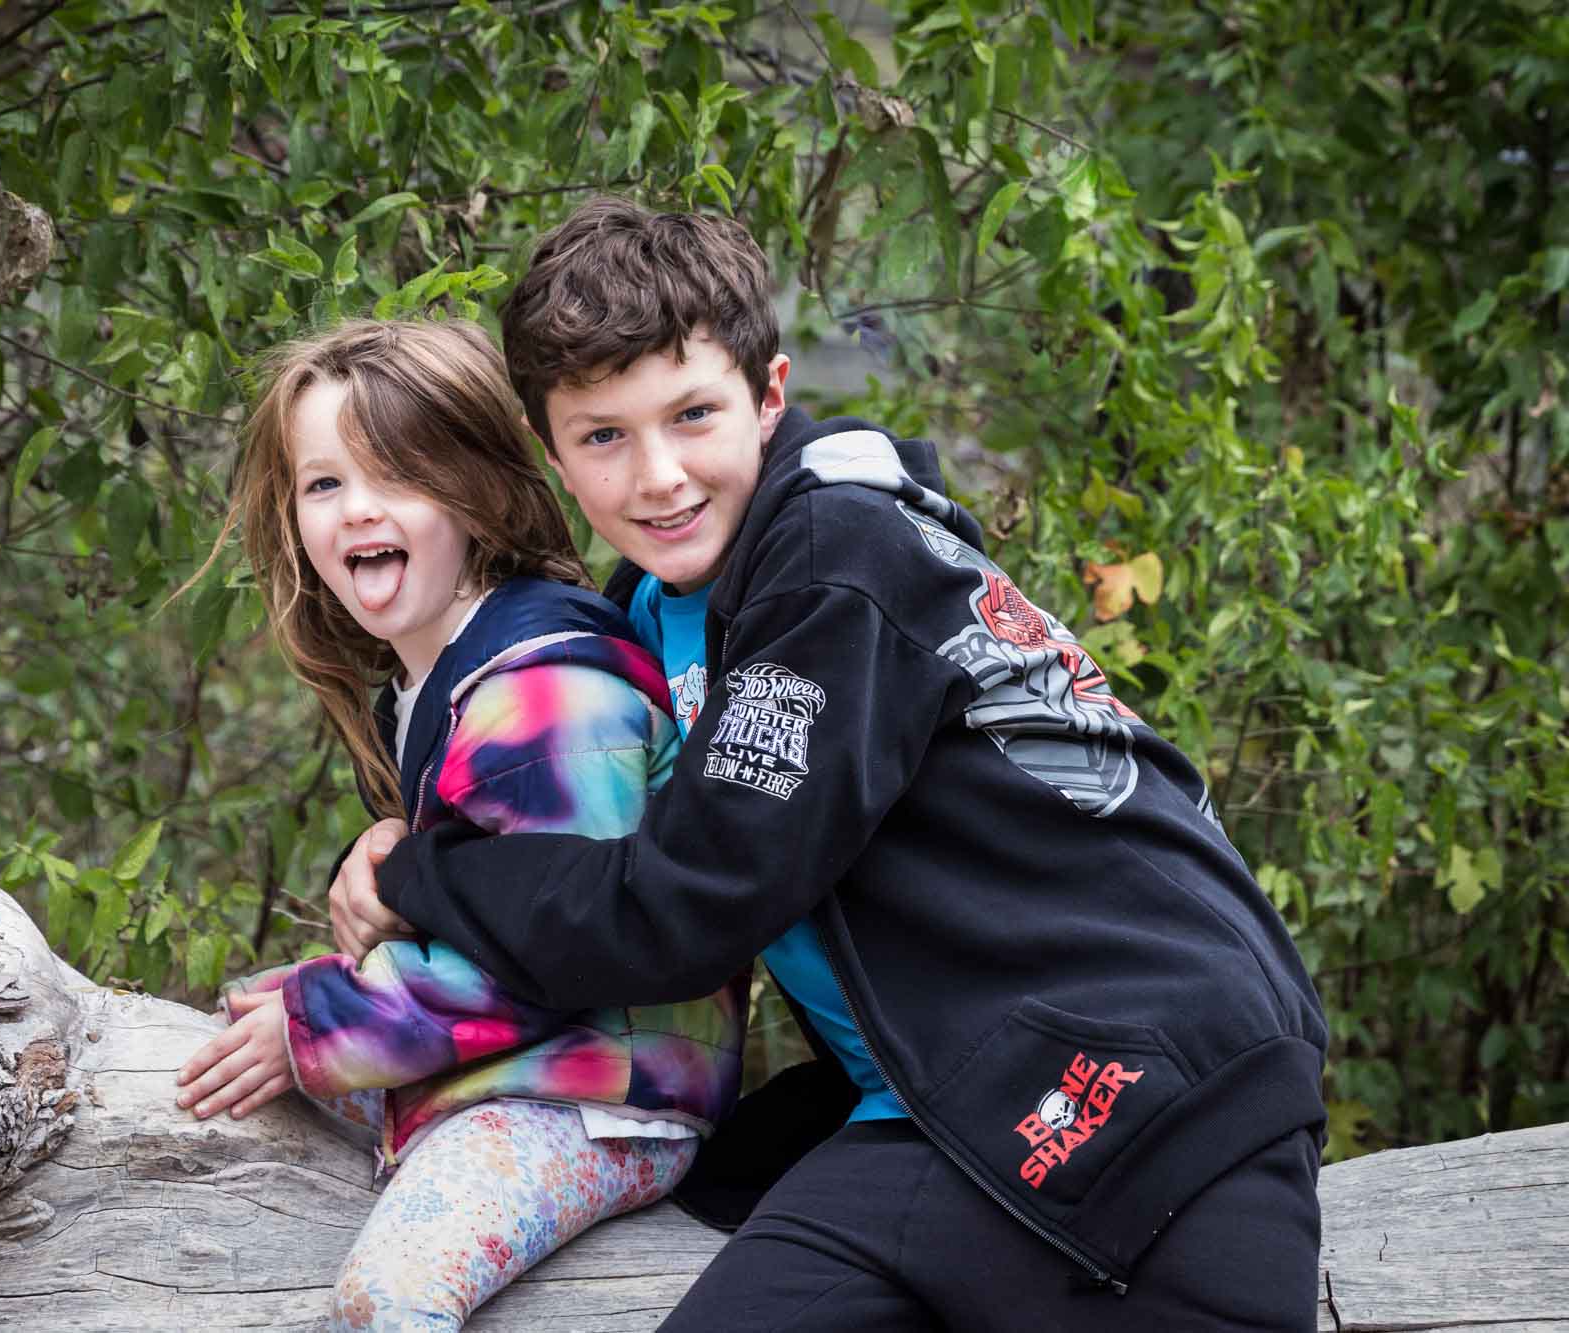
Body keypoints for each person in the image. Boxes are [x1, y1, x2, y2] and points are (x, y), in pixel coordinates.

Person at [328, 200, 1330, 1329]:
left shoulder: (834, 560)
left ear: (769, 395)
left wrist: (419, 873)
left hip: (1146, 1077)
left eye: (692, 414)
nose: (657, 476)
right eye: (602, 436)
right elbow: (567, 838)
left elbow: (678, 906)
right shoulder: (654, 605)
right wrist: (406, 849)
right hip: (935, 1111)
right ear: (547, 447)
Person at [170, 318, 746, 1332]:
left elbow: (553, 954)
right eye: (323, 483)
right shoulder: (434, 676)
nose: (358, 508)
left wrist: (318, 1023)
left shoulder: (546, 693)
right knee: (225, 1039)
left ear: (479, 489)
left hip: (595, 1091)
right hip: (516, 1060)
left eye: (397, 473)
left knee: (389, 1297)